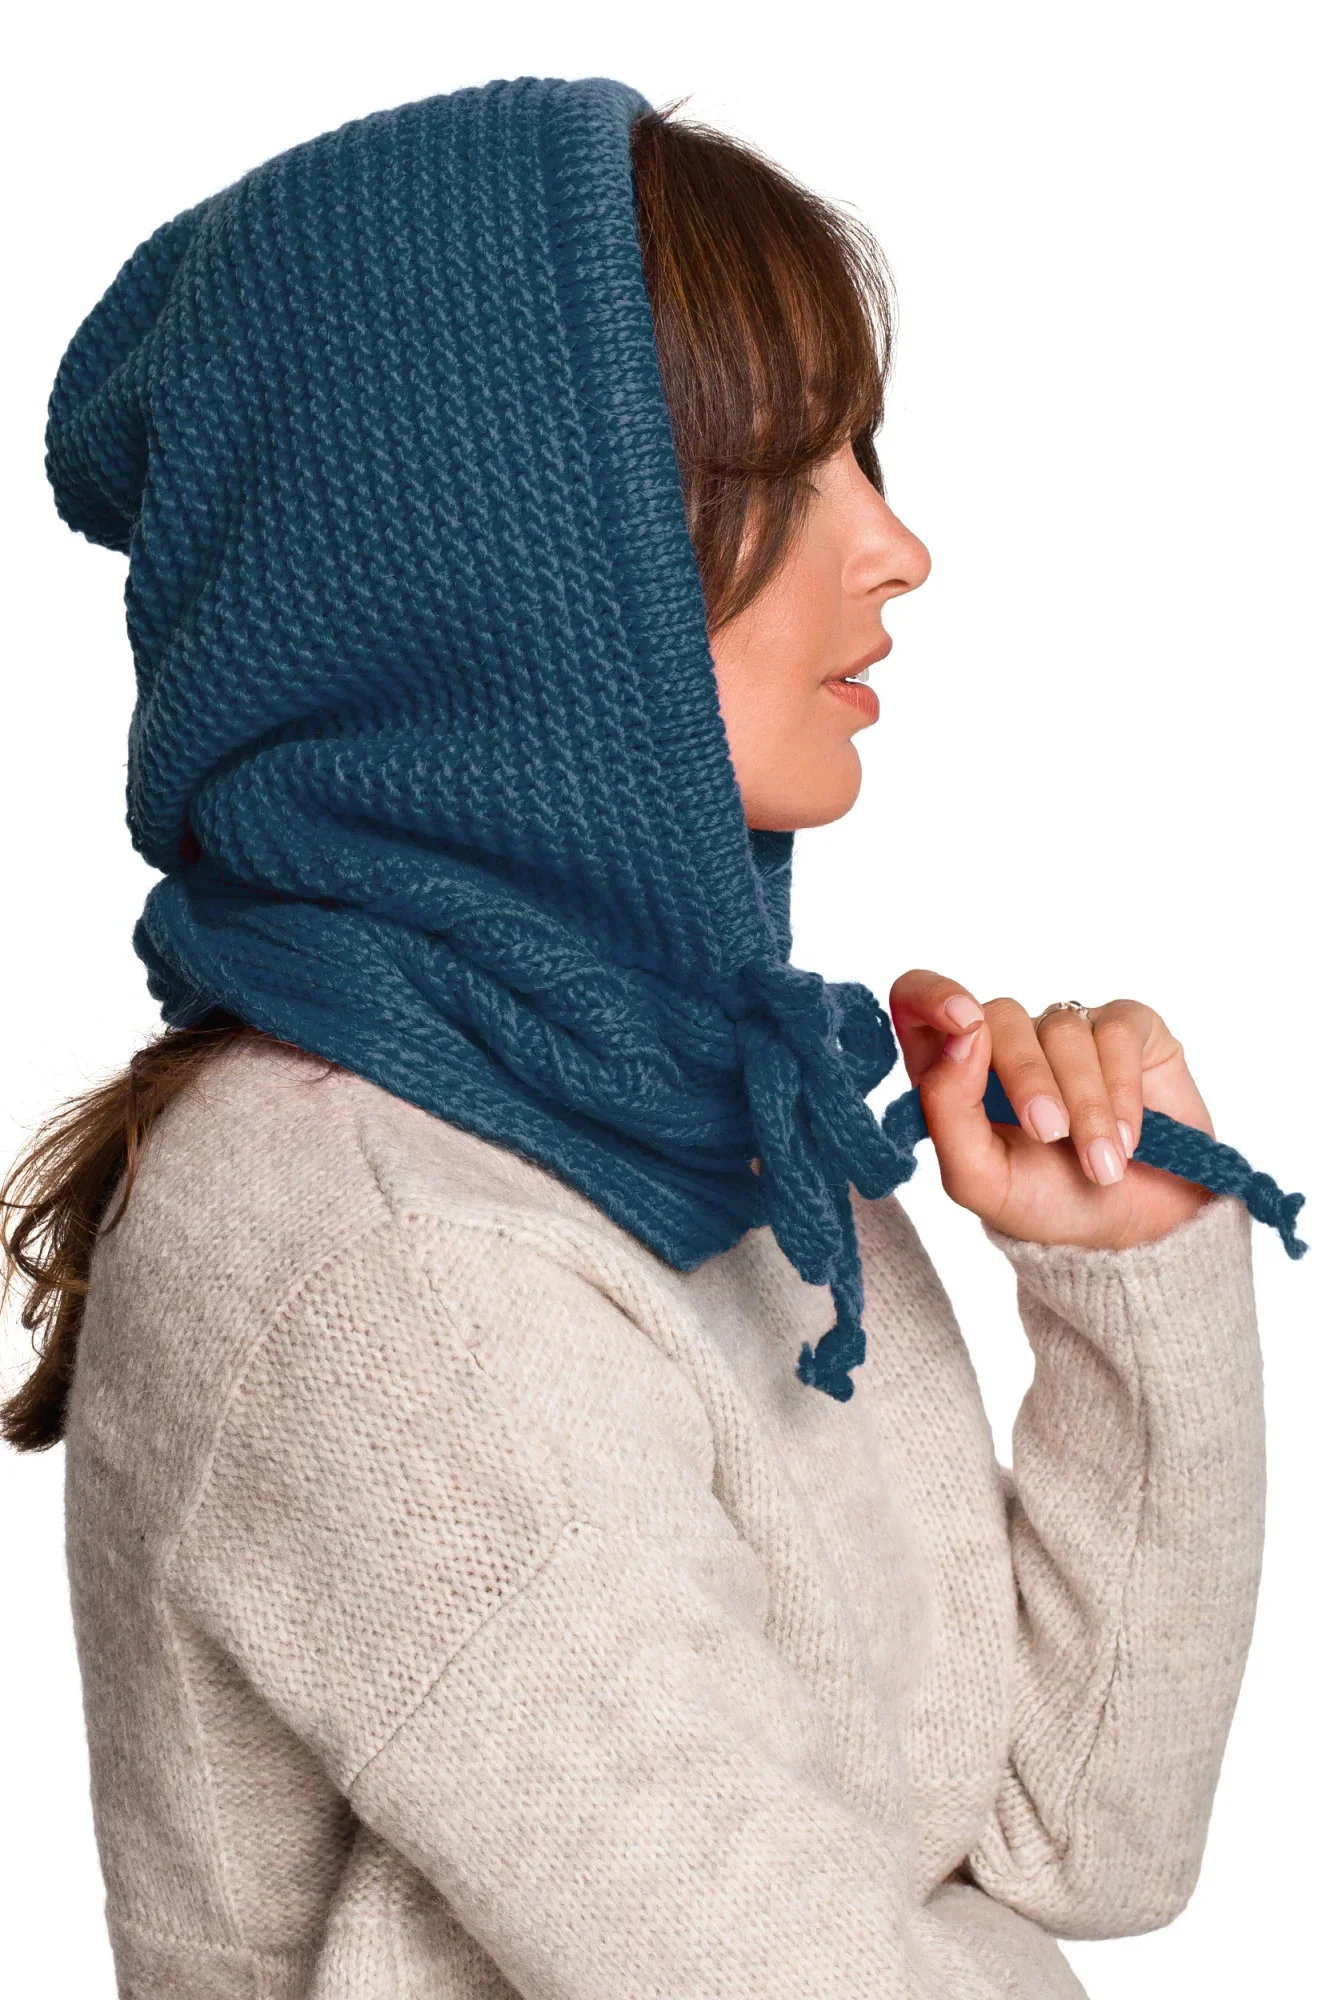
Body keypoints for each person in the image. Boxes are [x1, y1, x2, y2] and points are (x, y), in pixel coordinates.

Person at [0, 73, 1289, 1999]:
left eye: (863, 453)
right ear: (500, 568)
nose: (896, 547)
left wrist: (1128, 1282)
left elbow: (1071, 1837)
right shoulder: (383, 1246)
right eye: (781, 465)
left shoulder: (687, 1110)